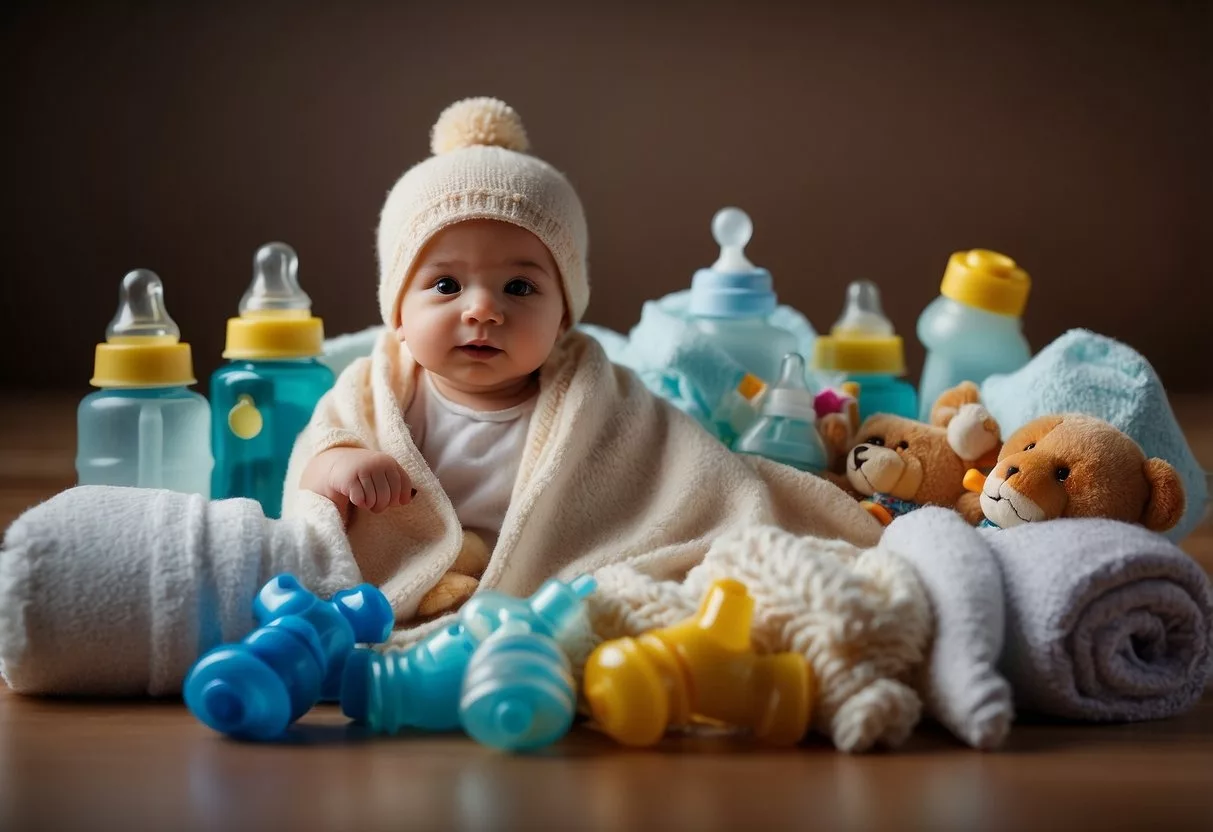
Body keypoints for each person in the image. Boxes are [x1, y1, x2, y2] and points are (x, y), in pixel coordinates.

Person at [284, 97, 879, 623]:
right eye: (446, 286)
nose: (483, 311)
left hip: (551, 589)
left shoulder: (599, 398)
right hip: (422, 581)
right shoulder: (376, 391)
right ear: (396, 313)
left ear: (564, 315)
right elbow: (313, 478)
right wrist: (340, 467)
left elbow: (685, 479)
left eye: (520, 288)